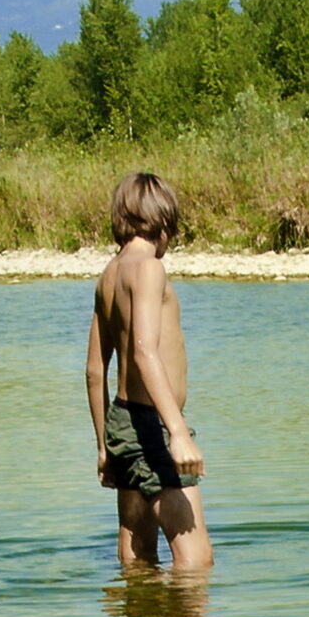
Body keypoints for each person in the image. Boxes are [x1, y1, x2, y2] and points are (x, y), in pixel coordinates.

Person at [88, 171, 210, 570]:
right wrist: (178, 433)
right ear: (163, 221)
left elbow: (94, 371)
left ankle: (140, 611)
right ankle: (175, 615)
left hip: (121, 423)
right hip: (151, 426)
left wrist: (104, 446)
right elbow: (144, 352)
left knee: (137, 556)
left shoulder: (109, 275)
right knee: (196, 563)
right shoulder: (148, 268)